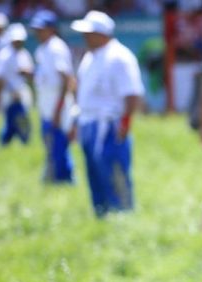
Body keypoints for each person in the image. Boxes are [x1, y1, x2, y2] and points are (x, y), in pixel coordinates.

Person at [71, 10, 144, 217]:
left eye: (89, 32)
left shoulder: (119, 57)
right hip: (89, 122)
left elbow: (132, 94)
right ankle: (101, 212)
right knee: (95, 172)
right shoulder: (91, 57)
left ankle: (122, 212)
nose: (85, 36)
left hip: (110, 123)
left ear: (101, 33)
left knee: (114, 171)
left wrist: (125, 123)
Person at [30, 9, 75, 183]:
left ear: (52, 29)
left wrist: (58, 109)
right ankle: (56, 180)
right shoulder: (43, 49)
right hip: (47, 107)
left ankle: (64, 181)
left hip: (57, 108)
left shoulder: (56, 47)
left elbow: (67, 80)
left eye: (41, 29)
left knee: (58, 147)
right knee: (51, 146)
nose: (38, 33)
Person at [0, 23, 33, 147]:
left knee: (17, 120)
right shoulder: (5, 55)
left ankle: (11, 143)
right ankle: (9, 142)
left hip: (21, 92)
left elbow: (30, 73)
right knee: (14, 120)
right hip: (9, 93)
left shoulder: (24, 54)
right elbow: (0, 78)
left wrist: (26, 72)